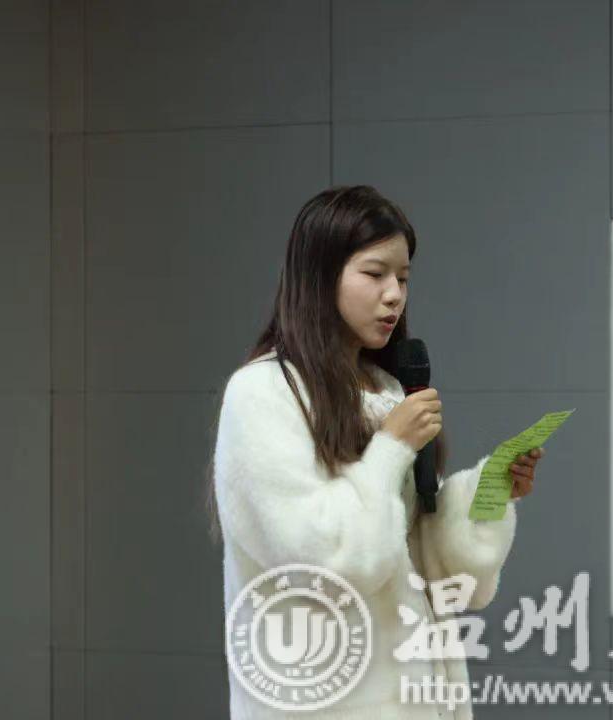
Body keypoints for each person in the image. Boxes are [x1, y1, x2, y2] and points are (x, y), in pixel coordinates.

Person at [204, 185, 543, 719]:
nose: (394, 295)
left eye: (403, 278)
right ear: (320, 275)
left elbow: (424, 561)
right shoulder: (263, 393)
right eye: (374, 273)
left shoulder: (387, 390)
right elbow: (322, 562)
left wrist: (490, 490)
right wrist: (392, 447)